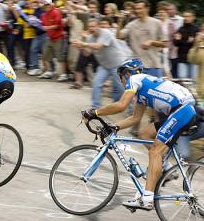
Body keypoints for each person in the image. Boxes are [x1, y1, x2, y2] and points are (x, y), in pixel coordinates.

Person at [82, 58, 196, 210]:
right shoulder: (143, 91)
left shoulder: (135, 79)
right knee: (145, 132)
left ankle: (147, 198)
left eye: (121, 77)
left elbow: (121, 105)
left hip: (182, 111)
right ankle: (166, 168)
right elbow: (135, 119)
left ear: (127, 73)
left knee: (155, 151)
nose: (121, 82)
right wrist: (113, 127)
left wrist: (95, 112)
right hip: (181, 110)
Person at [73, 19, 125, 108]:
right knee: (96, 83)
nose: (91, 28)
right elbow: (87, 53)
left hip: (117, 64)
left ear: (98, 26)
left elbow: (98, 46)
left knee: (120, 88)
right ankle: (95, 107)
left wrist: (83, 44)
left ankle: (127, 108)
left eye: (93, 26)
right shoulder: (90, 37)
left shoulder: (106, 33)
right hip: (104, 66)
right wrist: (80, 46)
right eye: (89, 27)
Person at [173, 10, 199, 79]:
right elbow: (175, 43)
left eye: (188, 16)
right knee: (182, 79)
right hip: (182, 58)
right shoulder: (180, 29)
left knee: (194, 79)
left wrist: (183, 41)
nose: (186, 18)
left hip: (194, 58)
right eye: (185, 16)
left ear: (193, 17)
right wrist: (181, 40)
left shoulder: (196, 29)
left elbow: (197, 43)